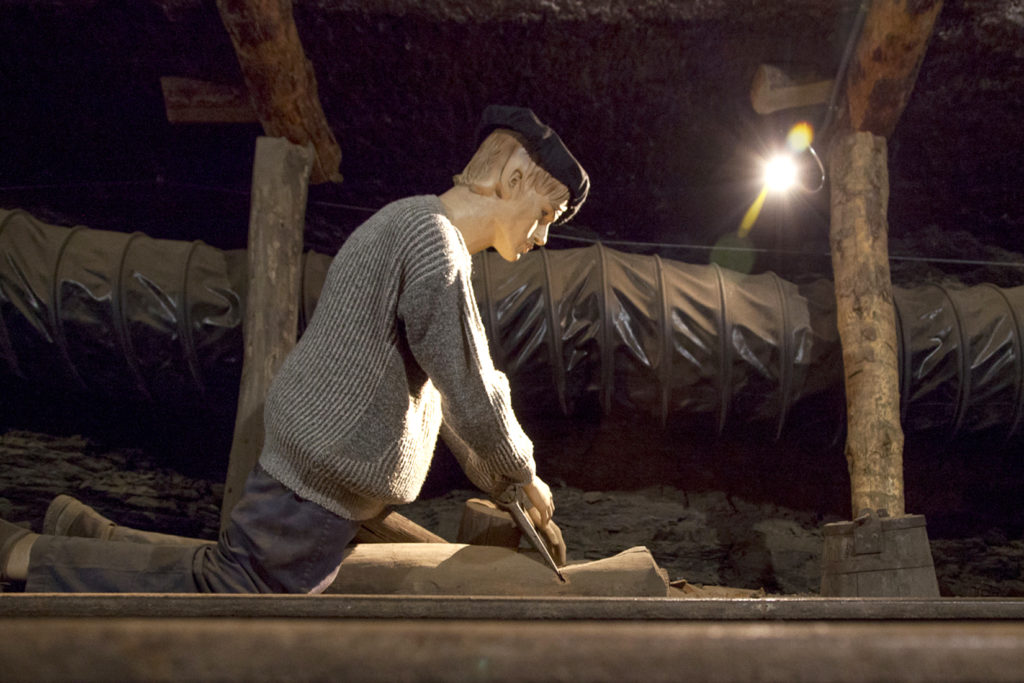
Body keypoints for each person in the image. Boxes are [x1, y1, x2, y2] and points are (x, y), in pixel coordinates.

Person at [0, 105, 589, 593]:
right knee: (226, 594)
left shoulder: (420, 229)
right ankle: (29, 557)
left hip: (326, 486)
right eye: (544, 215)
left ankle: (49, 546)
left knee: (231, 586)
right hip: (314, 487)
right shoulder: (433, 245)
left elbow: (452, 388)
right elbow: (472, 385)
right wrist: (521, 474)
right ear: (511, 179)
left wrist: (507, 484)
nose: (542, 236)